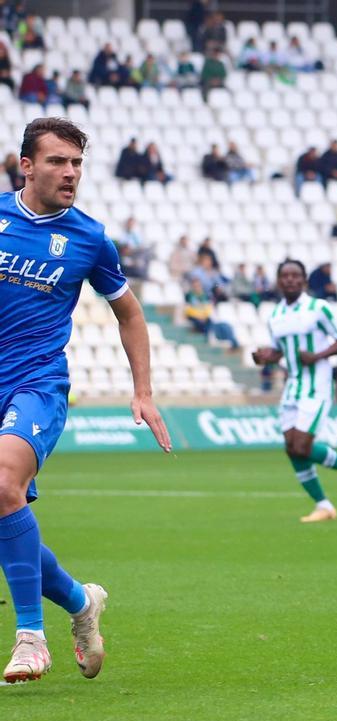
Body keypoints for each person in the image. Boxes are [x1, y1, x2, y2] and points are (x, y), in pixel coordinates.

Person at [0, 117, 172, 683]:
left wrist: (142, 391)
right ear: (27, 166)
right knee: (6, 511)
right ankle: (79, 601)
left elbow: (130, 312)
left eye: (76, 163)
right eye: (57, 161)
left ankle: (31, 640)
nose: (70, 172)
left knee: (3, 485)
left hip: (37, 383)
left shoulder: (90, 238)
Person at [252, 260, 337, 523]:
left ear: (304, 280)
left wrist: (318, 356)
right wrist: (264, 357)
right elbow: (279, 351)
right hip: (293, 384)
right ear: (279, 281)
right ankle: (324, 505)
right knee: (291, 448)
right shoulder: (276, 316)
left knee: (302, 445)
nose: (290, 280)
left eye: (295, 275)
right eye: (285, 276)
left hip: (317, 384)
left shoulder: (318, 308)